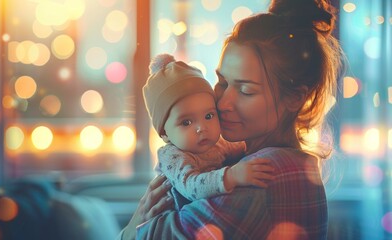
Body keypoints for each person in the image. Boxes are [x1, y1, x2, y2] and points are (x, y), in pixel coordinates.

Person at [121, 0, 343, 239]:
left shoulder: (258, 177)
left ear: (295, 98)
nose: (223, 103)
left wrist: (134, 225)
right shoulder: (285, 164)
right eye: (222, 83)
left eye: (246, 91)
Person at [142, 53, 275, 209]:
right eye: (186, 122)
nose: (201, 128)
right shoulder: (172, 156)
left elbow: (243, 148)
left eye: (208, 115)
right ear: (164, 133)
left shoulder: (216, 144)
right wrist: (232, 176)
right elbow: (191, 187)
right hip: (175, 219)